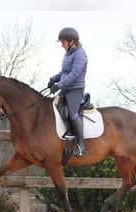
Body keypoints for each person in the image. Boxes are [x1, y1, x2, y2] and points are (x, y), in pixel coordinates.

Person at [48, 27, 88, 157]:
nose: (61, 45)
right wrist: (53, 79)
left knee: (72, 113)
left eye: (63, 42)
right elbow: (64, 72)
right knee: (55, 107)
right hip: (65, 88)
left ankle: (81, 145)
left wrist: (59, 85)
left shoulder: (80, 54)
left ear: (72, 41)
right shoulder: (69, 53)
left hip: (75, 89)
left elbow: (75, 74)